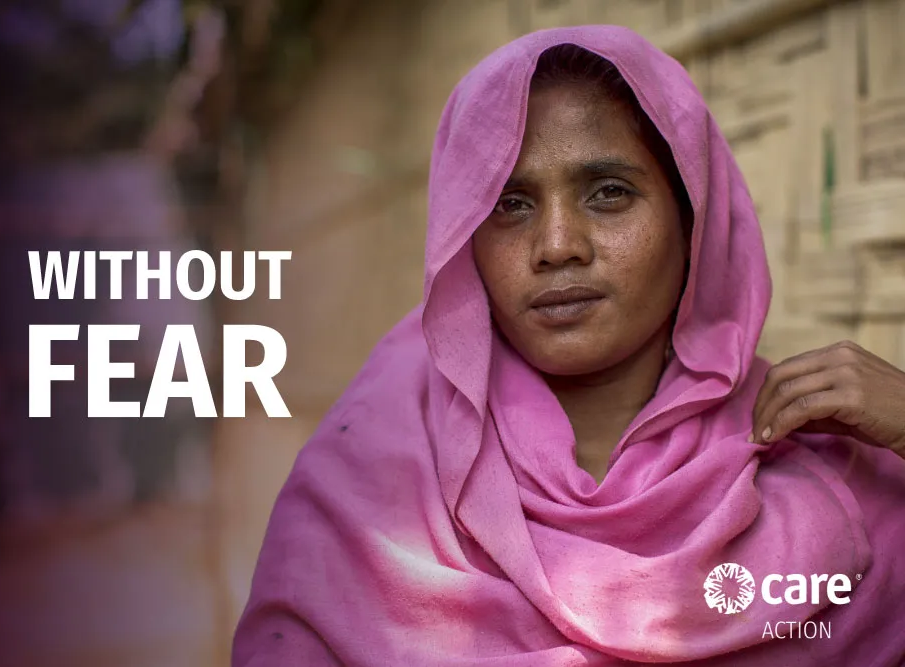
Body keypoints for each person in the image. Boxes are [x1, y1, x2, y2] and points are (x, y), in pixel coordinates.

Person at [231, 25, 905, 666]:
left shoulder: (836, 476)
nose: (557, 245)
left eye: (609, 193)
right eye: (510, 204)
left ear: (693, 214)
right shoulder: (366, 475)